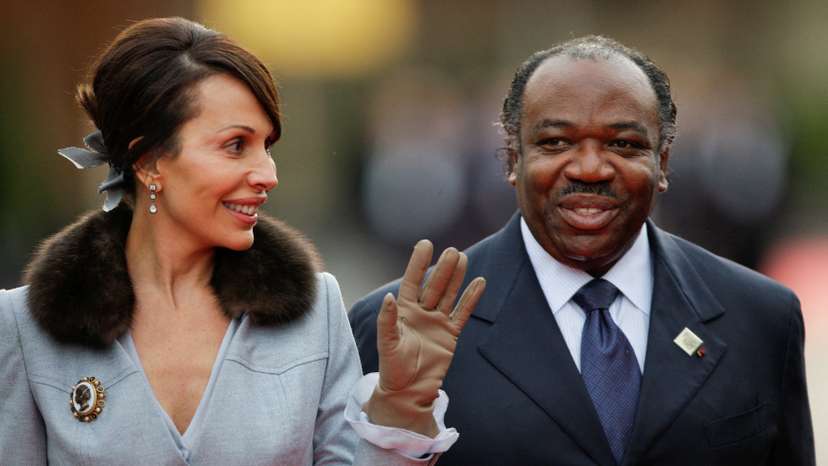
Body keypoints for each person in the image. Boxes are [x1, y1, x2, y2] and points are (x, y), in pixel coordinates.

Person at [0, 17, 486, 465]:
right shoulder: (25, 326)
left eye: (267, 146)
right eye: (236, 145)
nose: (268, 174)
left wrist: (401, 407)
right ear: (148, 161)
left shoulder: (316, 311)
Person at [349, 35, 815, 466]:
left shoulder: (761, 318)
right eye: (555, 142)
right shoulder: (396, 328)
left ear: (663, 162)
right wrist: (402, 419)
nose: (590, 168)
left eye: (623, 144)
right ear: (513, 160)